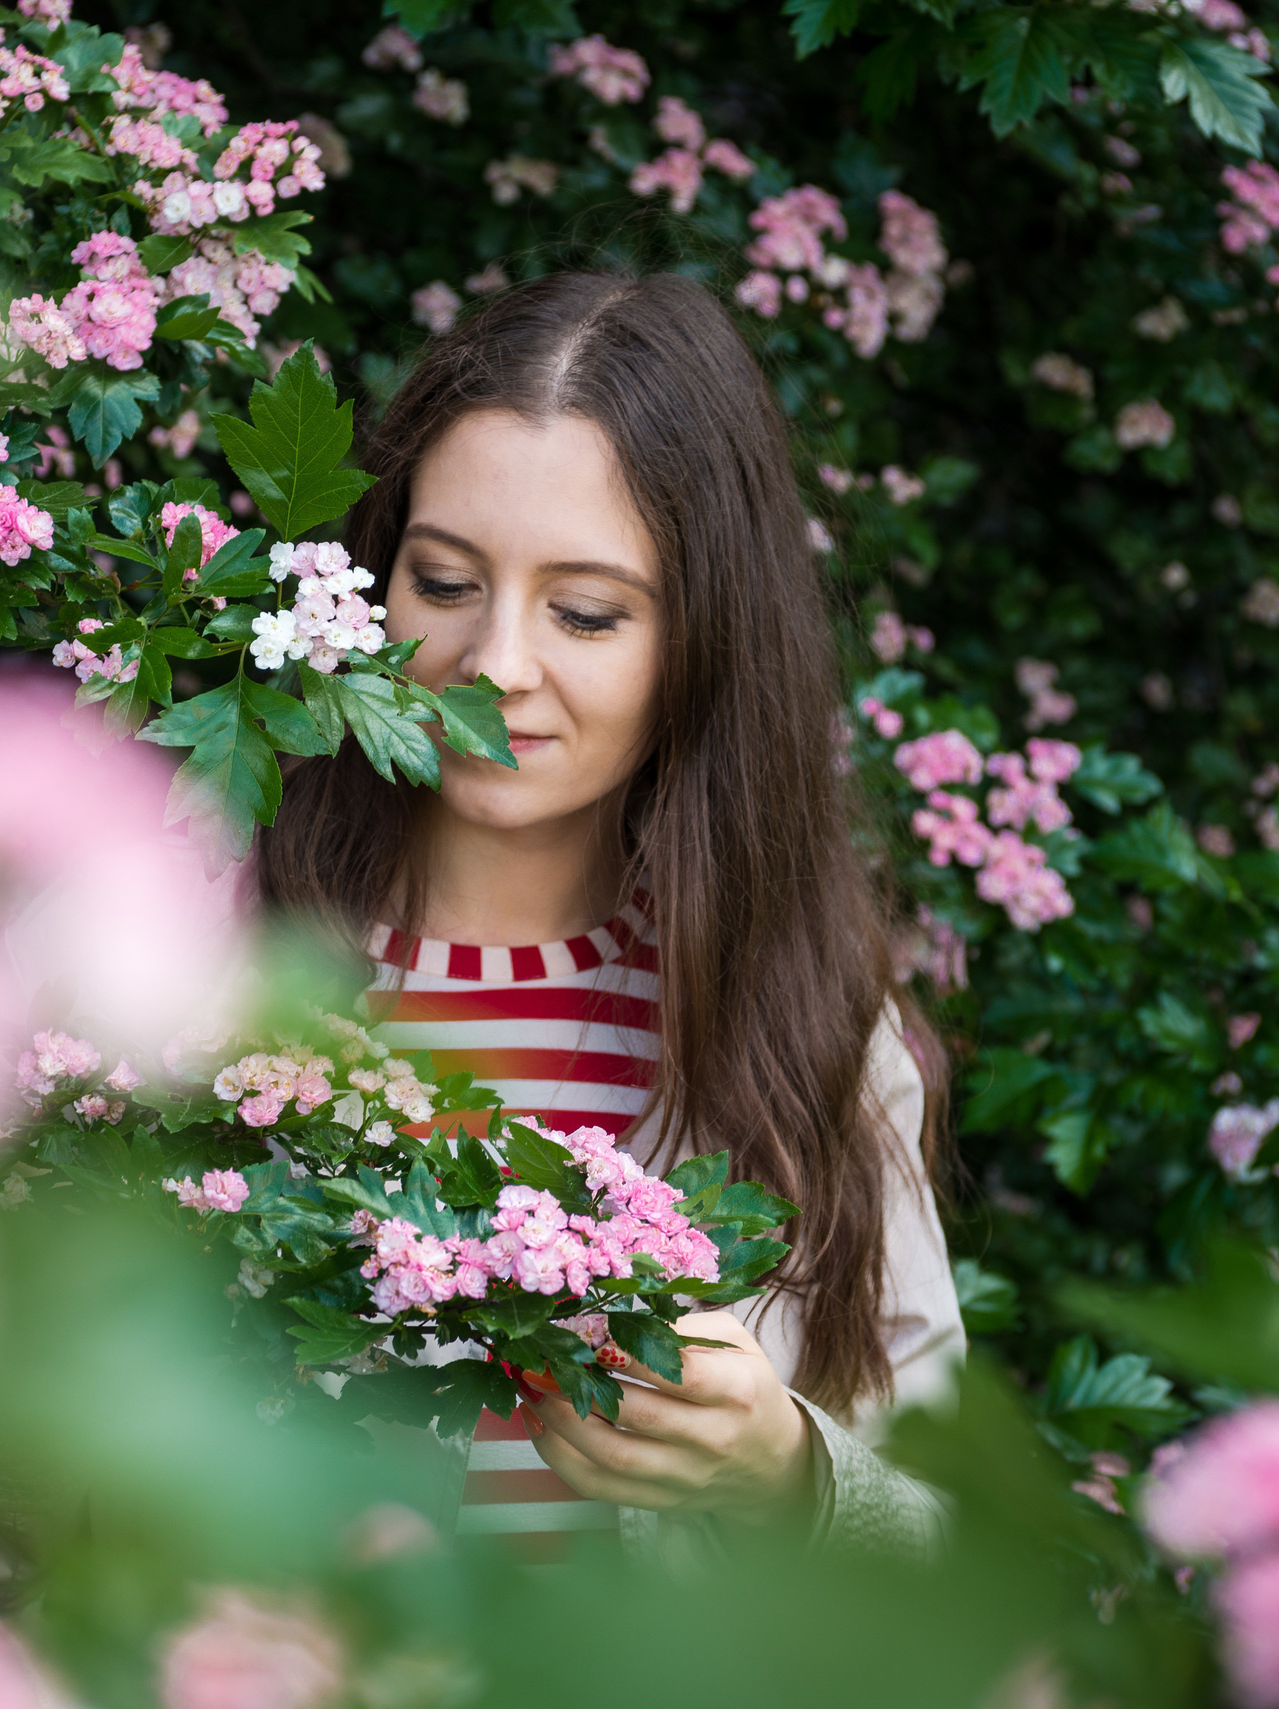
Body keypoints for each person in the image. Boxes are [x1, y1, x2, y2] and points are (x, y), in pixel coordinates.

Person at [255, 271, 963, 1561]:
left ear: (705, 637)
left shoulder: (799, 1020)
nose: (496, 666)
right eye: (444, 581)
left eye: (585, 611)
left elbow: (945, 1555)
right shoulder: (181, 946)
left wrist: (786, 1474)